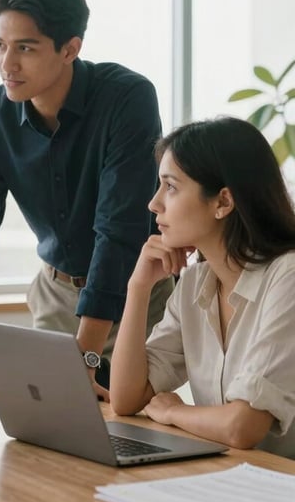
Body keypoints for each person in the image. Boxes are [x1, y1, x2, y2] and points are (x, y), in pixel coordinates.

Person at [0, 0, 172, 396]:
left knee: (132, 431)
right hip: (54, 293)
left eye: (25, 48)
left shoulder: (127, 98)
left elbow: (118, 231)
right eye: (0, 45)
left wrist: (84, 359)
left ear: (70, 49)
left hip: (134, 292)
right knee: (50, 435)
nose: (7, 64)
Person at [110, 117, 295, 454]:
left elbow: (242, 427)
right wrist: (138, 288)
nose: (154, 203)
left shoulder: (288, 276)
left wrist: (174, 411)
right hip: (234, 481)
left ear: (223, 202)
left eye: (171, 187)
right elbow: (125, 398)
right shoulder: (195, 281)